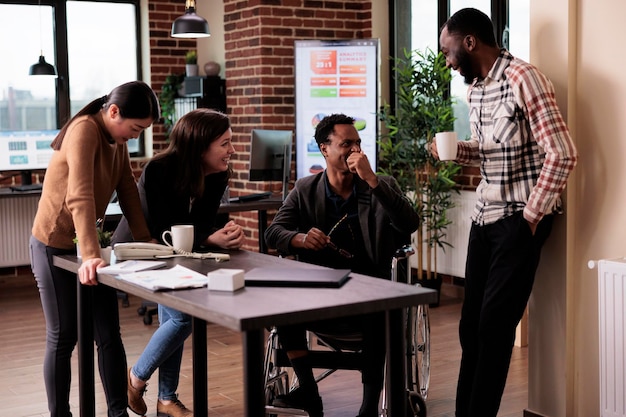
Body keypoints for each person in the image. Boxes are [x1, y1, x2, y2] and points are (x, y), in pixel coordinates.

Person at [435, 8, 578, 417]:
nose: (447, 61)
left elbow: (563, 153)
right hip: (484, 220)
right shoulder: (476, 89)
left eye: (448, 51)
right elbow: (488, 150)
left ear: (469, 42)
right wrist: (454, 151)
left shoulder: (523, 78)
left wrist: (530, 219)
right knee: (470, 330)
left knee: (494, 330)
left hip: (518, 219)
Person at [264, 113, 420, 417]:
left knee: (380, 309)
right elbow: (273, 232)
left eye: (358, 144)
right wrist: (299, 239)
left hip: (369, 290)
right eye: (346, 143)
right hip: (320, 292)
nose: (355, 150)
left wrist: (372, 180)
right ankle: (309, 391)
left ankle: (368, 407)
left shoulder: (380, 185)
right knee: (281, 307)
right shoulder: (306, 189)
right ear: (325, 148)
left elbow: (409, 223)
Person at [29, 80, 161, 417]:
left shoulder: (115, 138)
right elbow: (80, 196)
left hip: (91, 245)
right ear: (114, 112)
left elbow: (128, 188)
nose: (136, 136)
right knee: (64, 336)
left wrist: (144, 239)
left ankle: (118, 413)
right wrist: (89, 256)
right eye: (136, 128)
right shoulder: (84, 130)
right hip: (54, 245)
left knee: (108, 332)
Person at [112, 108, 245, 417]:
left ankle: (166, 399)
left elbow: (203, 222)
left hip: (176, 256)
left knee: (175, 320)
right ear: (200, 145)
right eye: (225, 143)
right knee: (183, 320)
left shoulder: (216, 173)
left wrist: (218, 235)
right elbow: (162, 228)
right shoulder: (159, 169)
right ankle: (136, 378)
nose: (232, 150)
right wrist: (209, 238)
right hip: (139, 253)